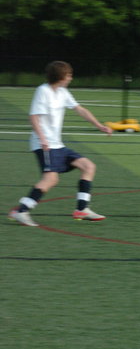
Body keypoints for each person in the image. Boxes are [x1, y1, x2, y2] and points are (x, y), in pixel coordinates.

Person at [8, 61, 112, 227]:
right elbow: (33, 117)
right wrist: (42, 138)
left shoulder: (63, 92)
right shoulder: (43, 91)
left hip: (57, 144)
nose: (71, 78)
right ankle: (22, 211)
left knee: (88, 166)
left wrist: (99, 126)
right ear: (61, 77)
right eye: (69, 75)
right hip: (44, 144)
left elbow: (79, 109)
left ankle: (82, 209)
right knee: (51, 179)